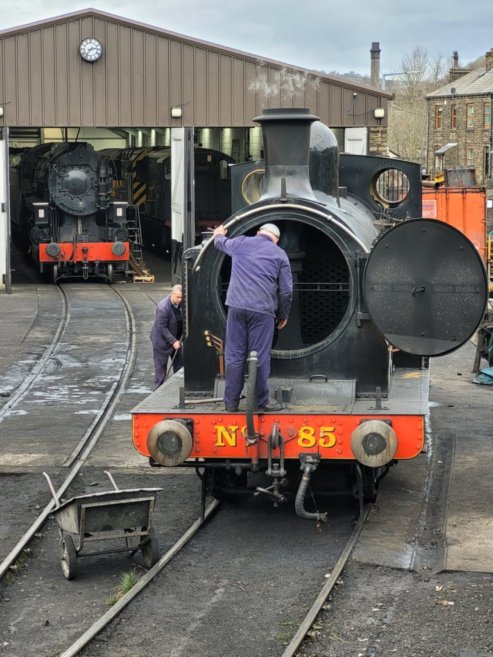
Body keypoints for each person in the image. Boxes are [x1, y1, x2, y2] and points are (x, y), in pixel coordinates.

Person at [213, 222, 293, 412]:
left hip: (236, 307)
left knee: (234, 355)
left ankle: (231, 403)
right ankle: (260, 402)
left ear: (258, 233)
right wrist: (283, 314)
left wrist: (218, 234)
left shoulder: (241, 242)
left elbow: (220, 243)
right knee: (259, 356)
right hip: (262, 312)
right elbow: (286, 291)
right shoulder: (279, 254)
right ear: (276, 240)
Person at [150, 284, 183, 389]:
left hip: (176, 340)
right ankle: (157, 390)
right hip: (162, 342)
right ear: (172, 294)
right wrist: (173, 341)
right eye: (178, 297)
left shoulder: (181, 304)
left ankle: (178, 389)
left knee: (179, 365)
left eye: (182, 297)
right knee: (161, 369)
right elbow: (162, 328)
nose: (180, 300)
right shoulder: (163, 308)